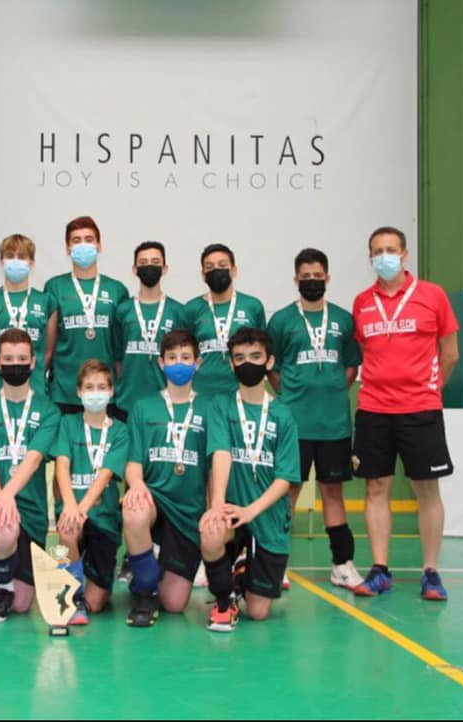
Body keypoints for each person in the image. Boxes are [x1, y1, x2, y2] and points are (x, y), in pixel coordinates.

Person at [351, 226, 459, 601]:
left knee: (426, 489)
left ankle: (431, 571)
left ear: (405, 254)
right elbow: (367, 352)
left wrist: (428, 389)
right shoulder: (362, 302)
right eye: (377, 250)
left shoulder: (433, 296)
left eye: (391, 249)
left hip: (421, 410)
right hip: (373, 409)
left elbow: (450, 353)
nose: (384, 256)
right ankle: (380, 569)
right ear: (370, 258)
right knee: (375, 487)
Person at [267, 248, 364, 590]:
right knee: (287, 493)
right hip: (295, 424)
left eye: (317, 276)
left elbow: (351, 366)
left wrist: (334, 388)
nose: (311, 281)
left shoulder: (342, 319)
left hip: (334, 424)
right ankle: (275, 566)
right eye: (305, 277)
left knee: (332, 492)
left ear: (327, 278)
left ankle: (342, 564)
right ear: (296, 280)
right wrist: (294, 396)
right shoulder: (281, 320)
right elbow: (273, 368)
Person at [200, 328, 301, 631]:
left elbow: (285, 479)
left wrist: (250, 512)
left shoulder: (283, 414)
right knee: (211, 531)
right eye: (240, 358)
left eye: (255, 357)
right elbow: (220, 453)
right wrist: (217, 505)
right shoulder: (221, 405)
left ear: (269, 362)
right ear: (231, 365)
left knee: (258, 612)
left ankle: (244, 572)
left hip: (265, 515)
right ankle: (223, 600)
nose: (247, 363)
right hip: (231, 507)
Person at [0, 329, 61, 623]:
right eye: (8, 359)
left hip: (30, 511)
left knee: (22, 605)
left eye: (21, 358)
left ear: (33, 362)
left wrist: (9, 495)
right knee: (5, 527)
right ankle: (2, 587)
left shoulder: (48, 411)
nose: (15, 364)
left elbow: (32, 460)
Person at [121, 330, 209, 627]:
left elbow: (214, 468)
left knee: (174, 604)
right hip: (155, 499)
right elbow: (133, 463)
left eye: (185, 357)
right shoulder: (144, 407)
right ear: (161, 363)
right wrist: (137, 485)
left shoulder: (210, 409)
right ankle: (144, 590)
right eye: (172, 358)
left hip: (188, 510)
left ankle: (152, 562)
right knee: (133, 512)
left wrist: (211, 510)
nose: (179, 363)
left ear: (198, 362)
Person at [53, 360, 129, 625]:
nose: (94, 392)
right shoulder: (67, 423)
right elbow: (62, 466)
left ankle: (83, 572)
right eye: (88, 387)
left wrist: (82, 508)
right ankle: (71, 593)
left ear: (111, 392)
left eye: (100, 387)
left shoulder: (120, 431)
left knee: (96, 604)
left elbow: (106, 474)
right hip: (72, 509)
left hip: (103, 517)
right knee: (68, 528)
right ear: (78, 392)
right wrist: (71, 506)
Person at [45, 216, 128, 417]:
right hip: (64, 392)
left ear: (99, 246)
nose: (83, 245)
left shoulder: (117, 290)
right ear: (67, 248)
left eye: (89, 239)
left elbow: (120, 349)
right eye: (76, 240)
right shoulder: (54, 287)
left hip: (106, 392)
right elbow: (48, 346)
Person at [0, 233, 56, 402]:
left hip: (34, 388)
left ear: (32, 263)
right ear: (1, 261)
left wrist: (31, 374)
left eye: (22, 256)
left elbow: (48, 352)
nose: (15, 261)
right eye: (10, 256)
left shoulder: (47, 302)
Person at [112, 241, 186, 420]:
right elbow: (118, 358)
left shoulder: (177, 310)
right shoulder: (123, 310)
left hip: (165, 402)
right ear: (134, 269)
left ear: (165, 268)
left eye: (155, 262)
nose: (149, 267)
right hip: (126, 402)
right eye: (143, 263)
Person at [184, 244, 265, 398]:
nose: (216, 270)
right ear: (203, 274)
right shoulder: (191, 308)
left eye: (222, 265)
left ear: (233, 270)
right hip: (201, 392)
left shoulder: (252, 306)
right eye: (210, 267)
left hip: (240, 392)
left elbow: (263, 351)